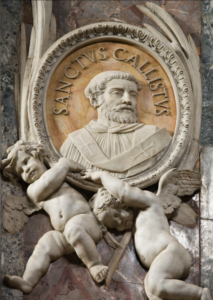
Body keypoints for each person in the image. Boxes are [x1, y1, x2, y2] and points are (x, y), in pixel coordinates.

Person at [1, 141, 134, 294]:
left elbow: (76, 172)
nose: (27, 169)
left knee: (74, 229)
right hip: (65, 235)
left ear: (38, 156)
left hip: (87, 223)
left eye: (26, 161)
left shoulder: (59, 176)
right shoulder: (34, 189)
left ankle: (94, 264)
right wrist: (63, 165)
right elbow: (48, 182)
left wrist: (68, 167)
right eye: (21, 171)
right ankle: (28, 281)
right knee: (44, 245)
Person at [82, 170, 212, 300]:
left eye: (117, 215)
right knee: (151, 291)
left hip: (171, 252)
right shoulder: (136, 226)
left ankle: (201, 295)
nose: (119, 221)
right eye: (115, 225)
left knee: (155, 284)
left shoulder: (148, 203)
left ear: (123, 203)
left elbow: (123, 191)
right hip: (162, 261)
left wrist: (103, 176)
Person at [60, 71, 172, 178]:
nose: (128, 100)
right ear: (95, 100)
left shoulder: (154, 136)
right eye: (117, 93)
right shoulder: (75, 143)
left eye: (133, 95)